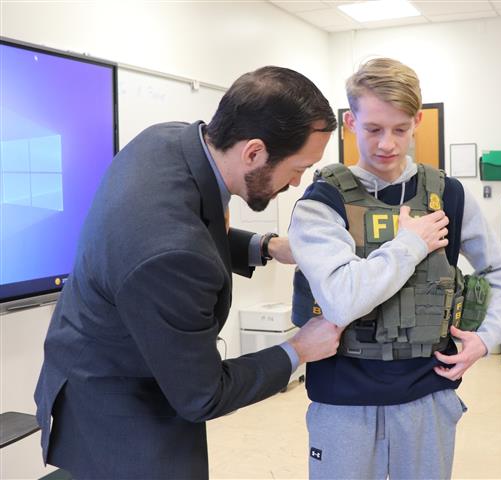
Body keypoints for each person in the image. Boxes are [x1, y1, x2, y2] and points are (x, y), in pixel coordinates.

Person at [34, 66, 343, 479]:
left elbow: (193, 223)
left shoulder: (169, 140)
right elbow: (204, 395)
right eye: (297, 168)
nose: (297, 182)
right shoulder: (171, 253)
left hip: (95, 356)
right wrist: (299, 348)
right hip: (119, 415)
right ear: (253, 152)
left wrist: (266, 246)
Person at [289, 58, 501, 479]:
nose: (387, 144)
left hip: (425, 394)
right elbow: (341, 300)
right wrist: (411, 243)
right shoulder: (323, 201)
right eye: (373, 128)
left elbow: (498, 273)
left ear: (417, 121)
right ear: (351, 123)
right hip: (343, 400)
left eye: (400, 129)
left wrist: (486, 339)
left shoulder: (448, 195)